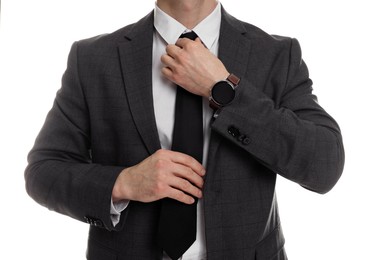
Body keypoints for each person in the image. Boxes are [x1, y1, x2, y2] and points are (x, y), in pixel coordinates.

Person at [25, 0, 345, 259]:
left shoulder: (275, 55)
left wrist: (222, 88)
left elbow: (324, 165)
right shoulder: (94, 59)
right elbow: (43, 172)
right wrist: (124, 183)